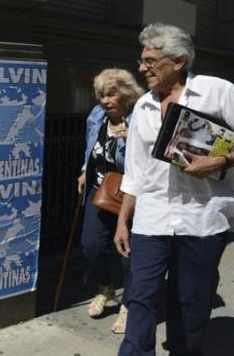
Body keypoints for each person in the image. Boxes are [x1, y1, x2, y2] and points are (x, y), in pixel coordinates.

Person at [114, 23, 234, 355]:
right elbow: (135, 173)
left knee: (190, 304)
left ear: (179, 61)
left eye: (150, 61)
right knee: (140, 297)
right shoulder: (142, 107)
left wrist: (219, 162)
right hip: (151, 219)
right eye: (141, 60)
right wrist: (122, 221)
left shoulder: (219, 92)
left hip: (202, 219)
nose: (141, 68)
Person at [77, 68, 145, 333]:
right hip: (101, 189)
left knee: (127, 251)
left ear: (126, 94)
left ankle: (129, 303)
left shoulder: (140, 119)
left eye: (111, 94)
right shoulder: (97, 116)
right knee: (91, 246)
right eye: (101, 95)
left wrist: (136, 140)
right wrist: (84, 170)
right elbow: (90, 146)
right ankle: (106, 290)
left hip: (130, 193)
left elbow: (152, 157)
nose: (105, 101)